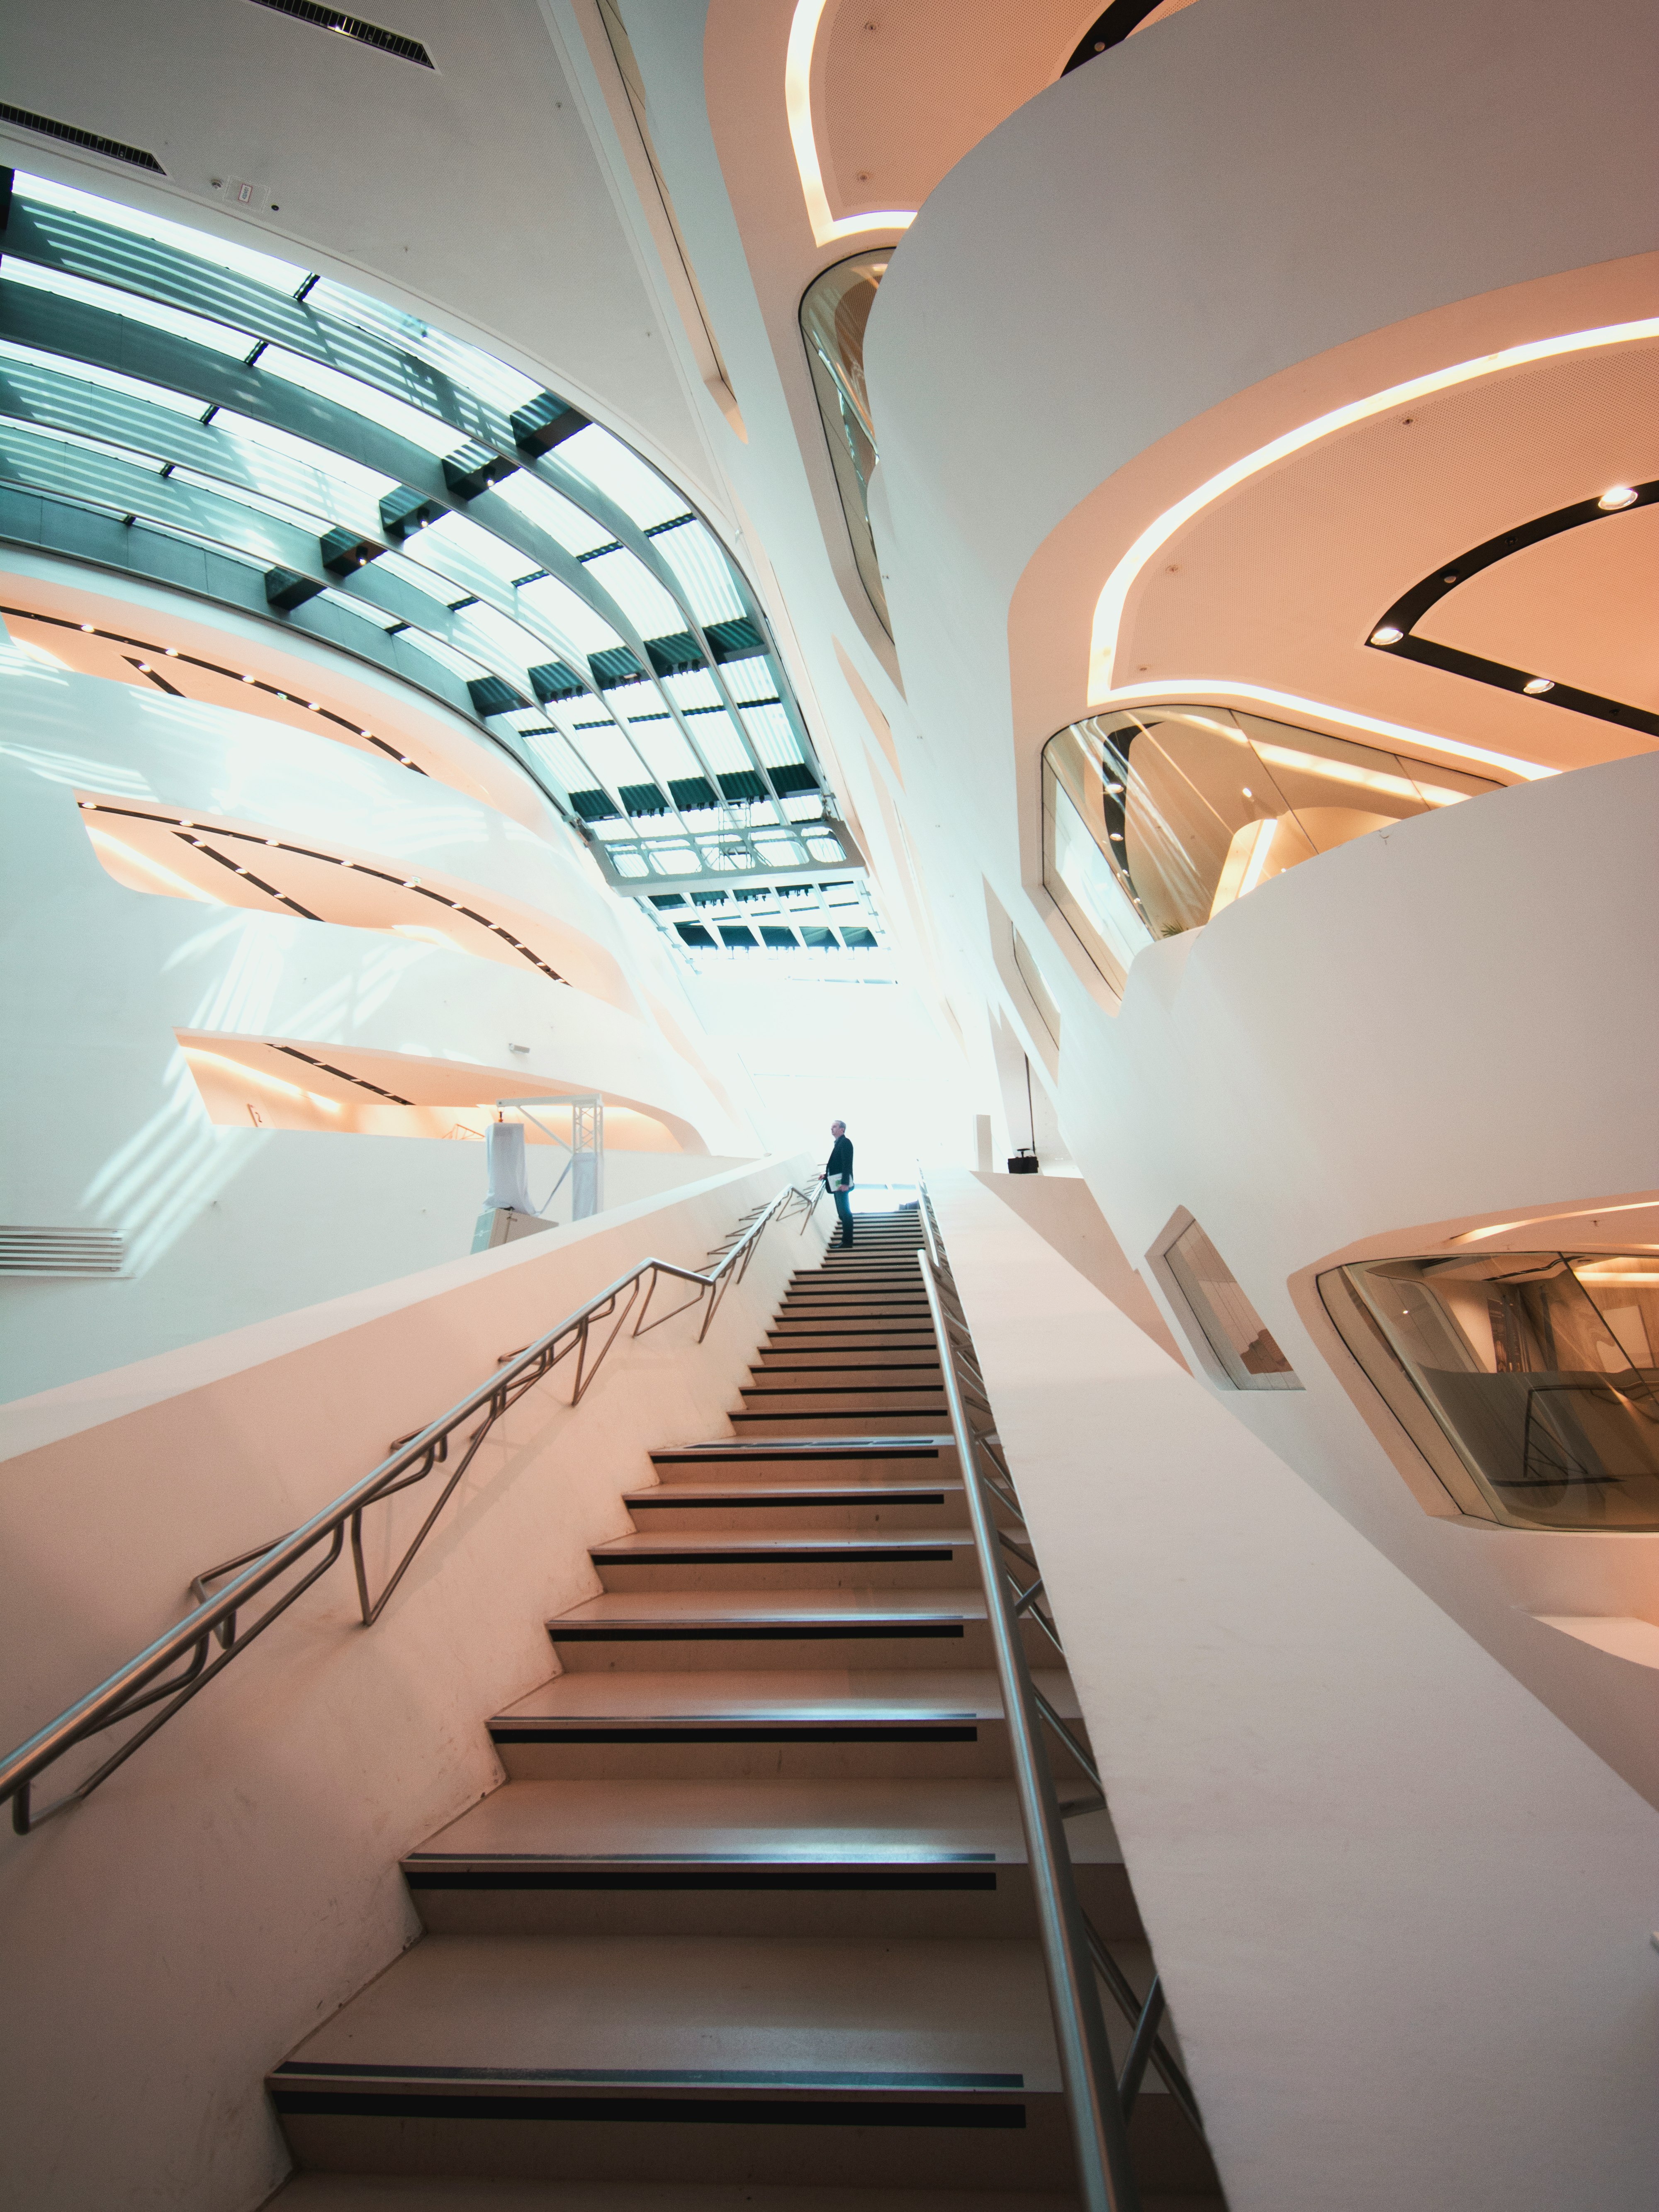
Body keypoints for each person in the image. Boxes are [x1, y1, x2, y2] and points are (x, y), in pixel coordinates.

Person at [824, 1119, 854, 1247]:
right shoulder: (838, 1144)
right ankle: (846, 1241)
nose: (832, 1129)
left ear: (842, 1129)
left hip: (842, 1185)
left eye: (835, 1127)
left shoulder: (845, 1143)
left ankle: (847, 1242)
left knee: (845, 1212)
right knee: (842, 1213)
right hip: (836, 1184)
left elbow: (847, 1164)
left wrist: (845, 1183)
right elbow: (836, 1165)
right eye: (832, 1127)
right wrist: (825, 1176)